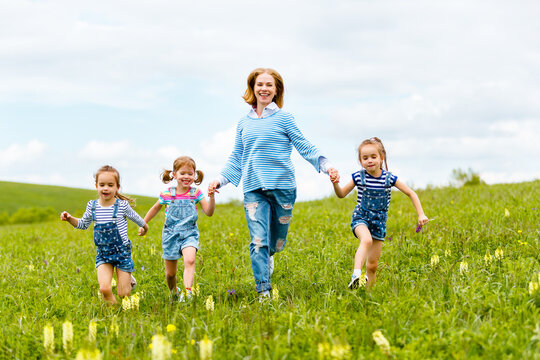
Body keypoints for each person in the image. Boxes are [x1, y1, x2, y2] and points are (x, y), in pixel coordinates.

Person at [208, 67, 338, 299]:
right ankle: (263, 290)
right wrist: (220, 180)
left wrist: (326, 166)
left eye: (269, 85)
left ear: (276, 90)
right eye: (260, 84)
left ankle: (269, 256)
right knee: (258, 241)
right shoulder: (243, 123)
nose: (264, 89)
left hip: (283, 188)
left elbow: (304, 146)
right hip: (253, 189)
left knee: (276, 243)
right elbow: (237, 157)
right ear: (253, 88)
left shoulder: (284, 118)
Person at [331, 137, 429, 290]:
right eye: (365, 158)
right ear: (360, 161)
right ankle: (356, 275)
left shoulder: (388, 178)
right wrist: (335, 183)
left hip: (379, 223)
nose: (369, 160)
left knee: (372, 265)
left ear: (381, 158)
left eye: (373, 157)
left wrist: (421, 214)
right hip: (361, 218)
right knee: (366, 240)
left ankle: (368, 294)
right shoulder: (358, 177)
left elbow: (411, 193)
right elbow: (341, 194)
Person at [61, 165, 148, 304]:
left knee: (123, 295)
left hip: (122, 253)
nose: (105, 188)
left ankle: (128, 281)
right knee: (104, 289)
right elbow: (83, 224)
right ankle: (115, 315)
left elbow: (139, 220)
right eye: (102, 185)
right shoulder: (92, 206)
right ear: (96, 186)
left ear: (117, 187)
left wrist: (145, 227)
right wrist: (70, 218)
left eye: (110, 185)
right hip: (103, 253)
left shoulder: (122, 206)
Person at [140, 156, 215, 302]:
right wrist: (144, 223)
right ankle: (174, 291)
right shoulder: (167, 194)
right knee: (170, 274)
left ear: (195, 175)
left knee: (190, 260)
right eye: (182, 173)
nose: (186, 177)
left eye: (190, 174)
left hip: (190, 233)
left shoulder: (196, 193)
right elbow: (155, 208)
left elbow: (209, 212)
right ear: (174, 174)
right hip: (170, 235)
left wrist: (211, 198)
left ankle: (187, 293)